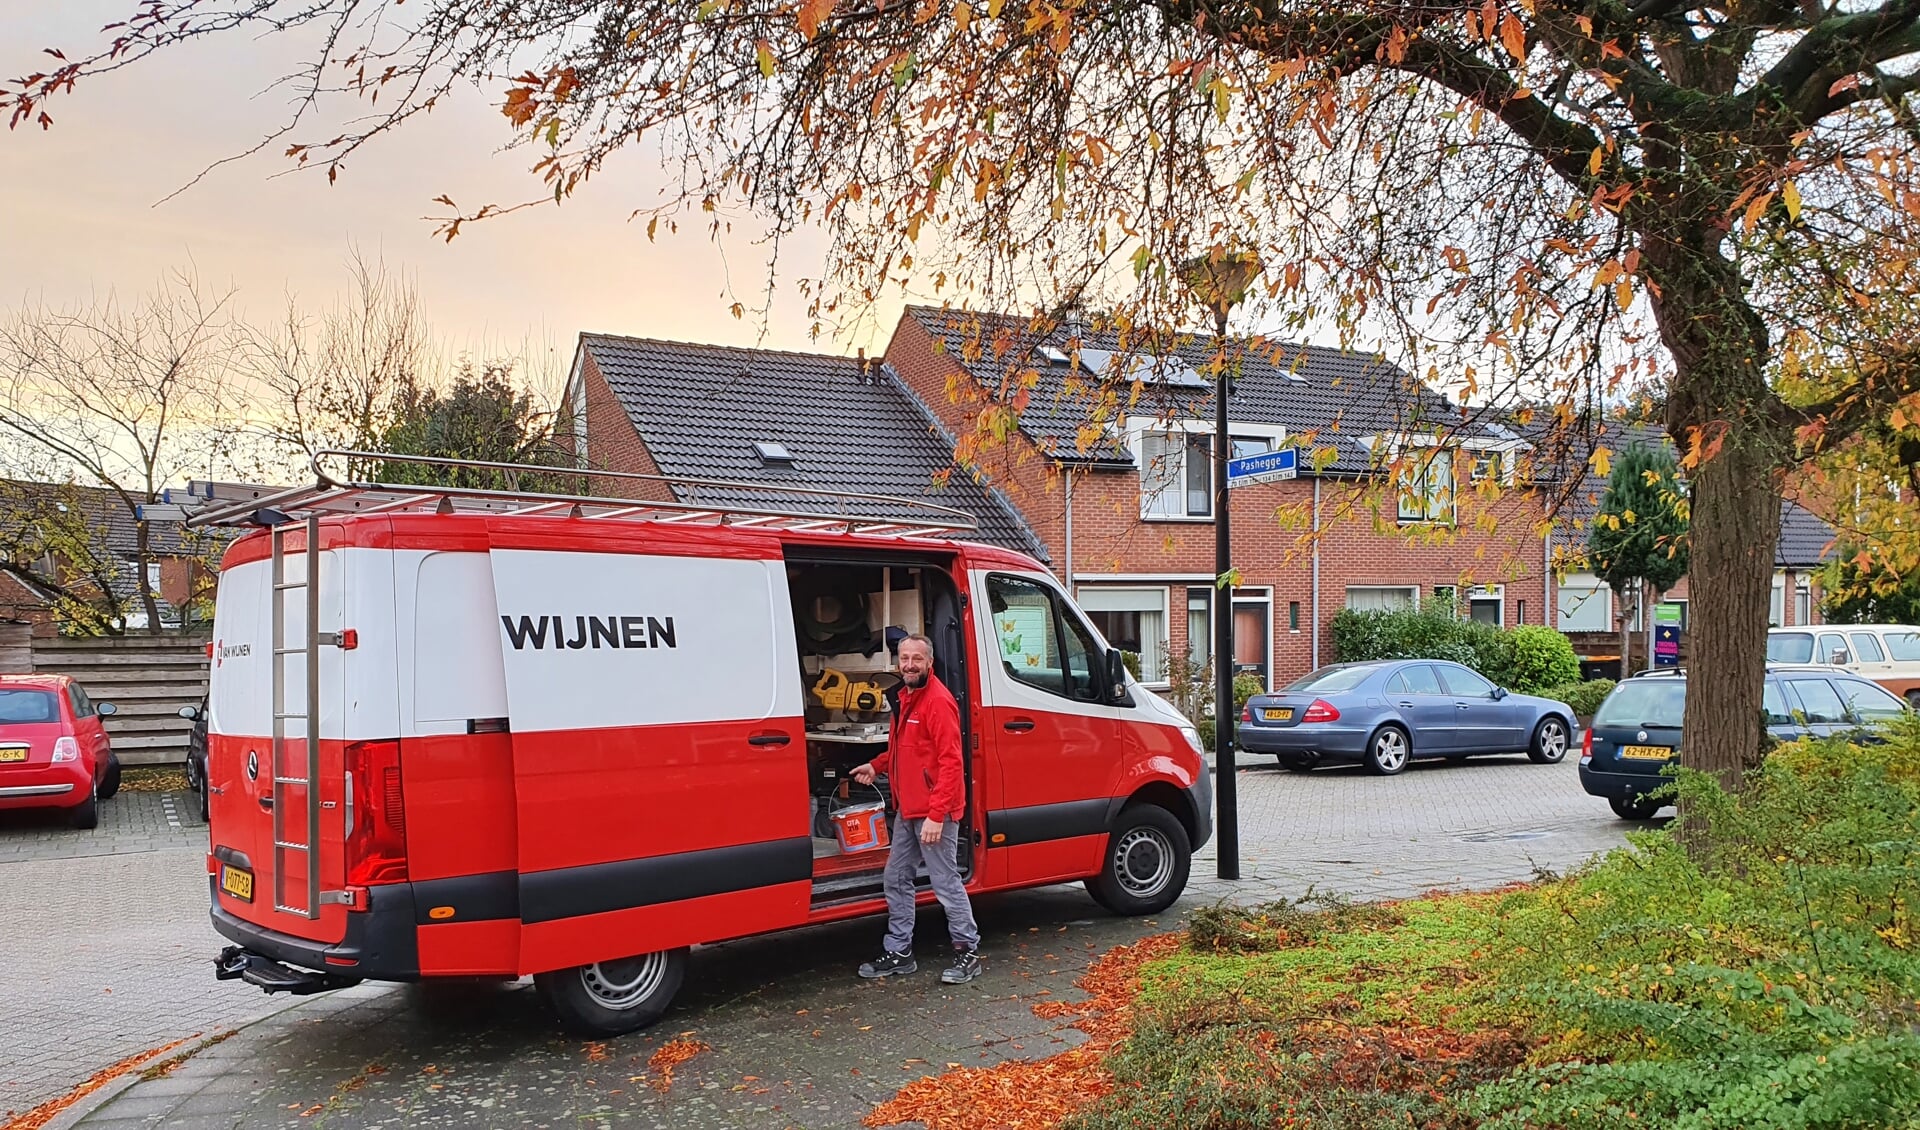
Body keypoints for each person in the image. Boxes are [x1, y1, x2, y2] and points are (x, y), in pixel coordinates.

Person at [851, 633, 981, 984]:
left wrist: (937, 815)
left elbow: (952, 762)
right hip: (909, 809)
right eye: (904, 658)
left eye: (916, 659)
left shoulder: (937, 701)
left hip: (934, 813)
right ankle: (899, 952)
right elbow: (904, 748)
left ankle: (968, 951)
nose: (909, 664)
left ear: (929, 662)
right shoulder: (906, 696)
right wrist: (876, 766)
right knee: (895, 877)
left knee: (945, 883)